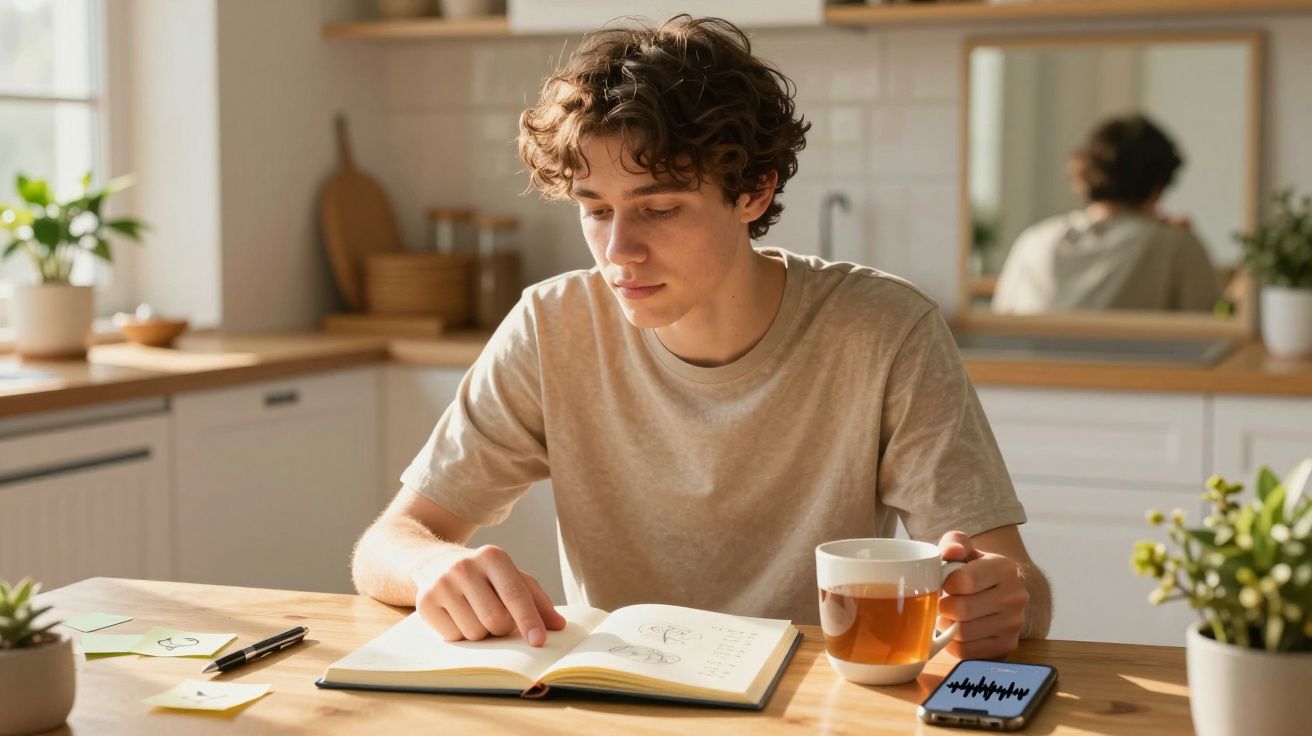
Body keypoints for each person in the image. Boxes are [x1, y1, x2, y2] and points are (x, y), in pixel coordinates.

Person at [352, 15, 1051, 660]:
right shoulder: (551, 325)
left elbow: (1022, 588)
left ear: (752, 191)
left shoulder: (884, 331)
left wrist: (999, 599)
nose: (618, 250)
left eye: (657, 208)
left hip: (813, 705)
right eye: (595, 211)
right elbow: (386, 544)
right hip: (614, 701)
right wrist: (433, 564)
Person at [992, 113, 1223, 315]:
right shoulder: (1176, 247)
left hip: (1028, 366)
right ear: (1158, 186)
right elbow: (1211, 326)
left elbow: (1002, 317)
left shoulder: (1035, 239)